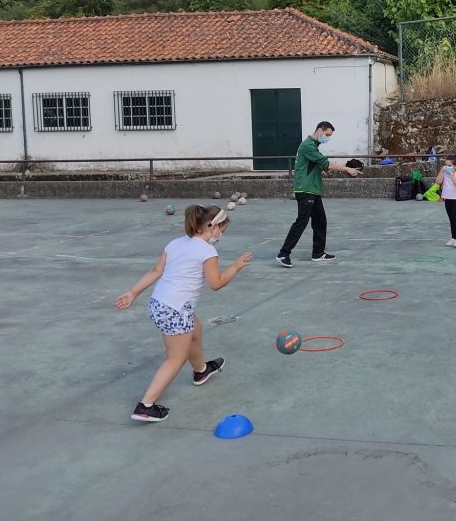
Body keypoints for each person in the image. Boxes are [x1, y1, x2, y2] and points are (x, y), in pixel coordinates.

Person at [115, 205, 251, 423]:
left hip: (159, 304)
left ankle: (201, 370)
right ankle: (145, 406)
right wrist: (236, 267)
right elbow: (215, 284)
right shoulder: (207, 251)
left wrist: (133, 293)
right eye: (221, 231)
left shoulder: (175, 244)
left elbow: (155, 271)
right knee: (175, 359)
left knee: (195, 329)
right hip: (175, 310)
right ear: (211, 226)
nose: (221, 236)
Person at [276, 121, 361, 267]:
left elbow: (317, 165)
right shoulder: (308, 145)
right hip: (305, 190)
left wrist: (321, 170)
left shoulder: (314, 146)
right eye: (327, 134)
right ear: (319, 130)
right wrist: (347, 169)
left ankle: (318, 253)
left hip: (313, 190)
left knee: (320, 221)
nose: (328, 138)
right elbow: (325, 163)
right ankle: (283, 254)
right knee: (302, 222)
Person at [435, 154, 456, 247]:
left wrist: (452, 175)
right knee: (451, 219)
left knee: (455, 218)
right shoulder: (444, 173)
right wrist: (441, 171)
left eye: (449, 165)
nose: (447, 167)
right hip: (447, 198)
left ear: (455, 166)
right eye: (446, 165)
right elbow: (438, 181)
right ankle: (453, 238)